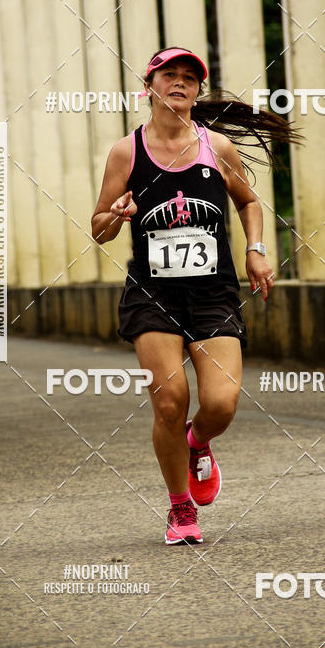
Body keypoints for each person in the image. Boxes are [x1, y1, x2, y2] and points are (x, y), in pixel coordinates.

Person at [92, 46, 299, 545]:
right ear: (150, 86)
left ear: (196, 91)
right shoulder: (127, 152)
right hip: (151, 296)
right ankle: (180, 507)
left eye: (189, 77)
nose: (180, 83)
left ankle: (197, 442)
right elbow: (97, 228)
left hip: (213, 293)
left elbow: (249, 202)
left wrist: (256, 249)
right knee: (169, 402)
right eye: (170, 76)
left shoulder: (216, 148)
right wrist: (116, 214)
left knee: (221, 403)